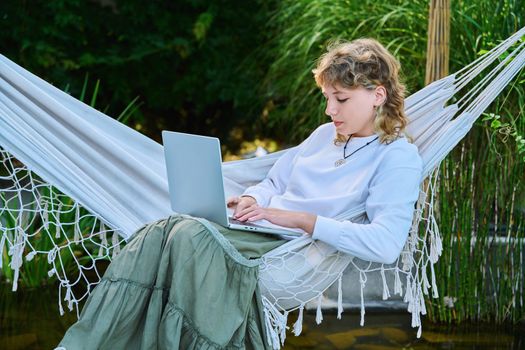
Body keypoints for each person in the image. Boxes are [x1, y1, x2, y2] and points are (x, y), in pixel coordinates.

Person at [56, 38, 422, 350]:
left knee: (188, 237)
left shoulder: (396, 157)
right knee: (164, 230)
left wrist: (294, 219)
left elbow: (386, 243)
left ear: (378, 95)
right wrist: (253, 200)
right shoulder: (323, 137)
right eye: (326, 98)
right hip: (257, 230)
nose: (329, 110)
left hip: (286, 251)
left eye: (340, 99)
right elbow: (273, 183)